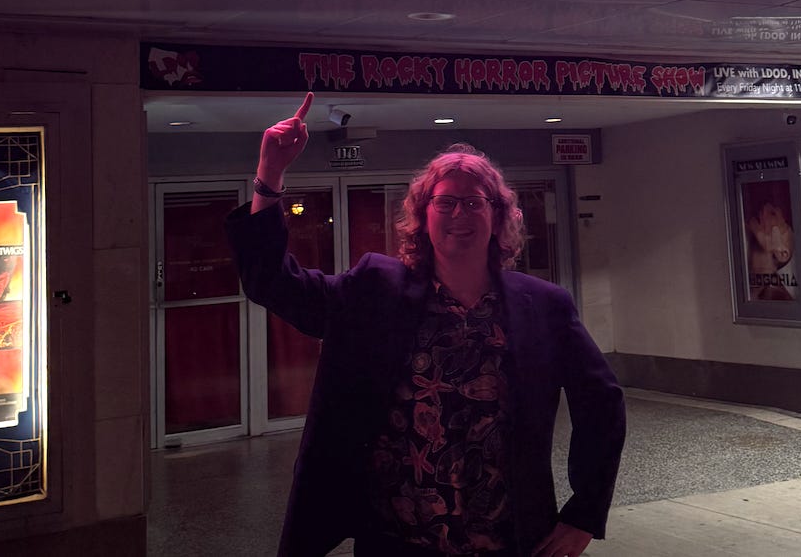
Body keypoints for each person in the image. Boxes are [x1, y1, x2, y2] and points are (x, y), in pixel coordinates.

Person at [227, 94, 626, 557]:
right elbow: (275, 284)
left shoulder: (543, 306)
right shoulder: (376, 290)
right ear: (423, 214)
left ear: (497, 215)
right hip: (397, 542)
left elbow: (602, 403)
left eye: (474, 202)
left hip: (508, 541)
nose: (460, 214)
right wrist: (270, 175)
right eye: (446, 202)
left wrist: (584, 513)